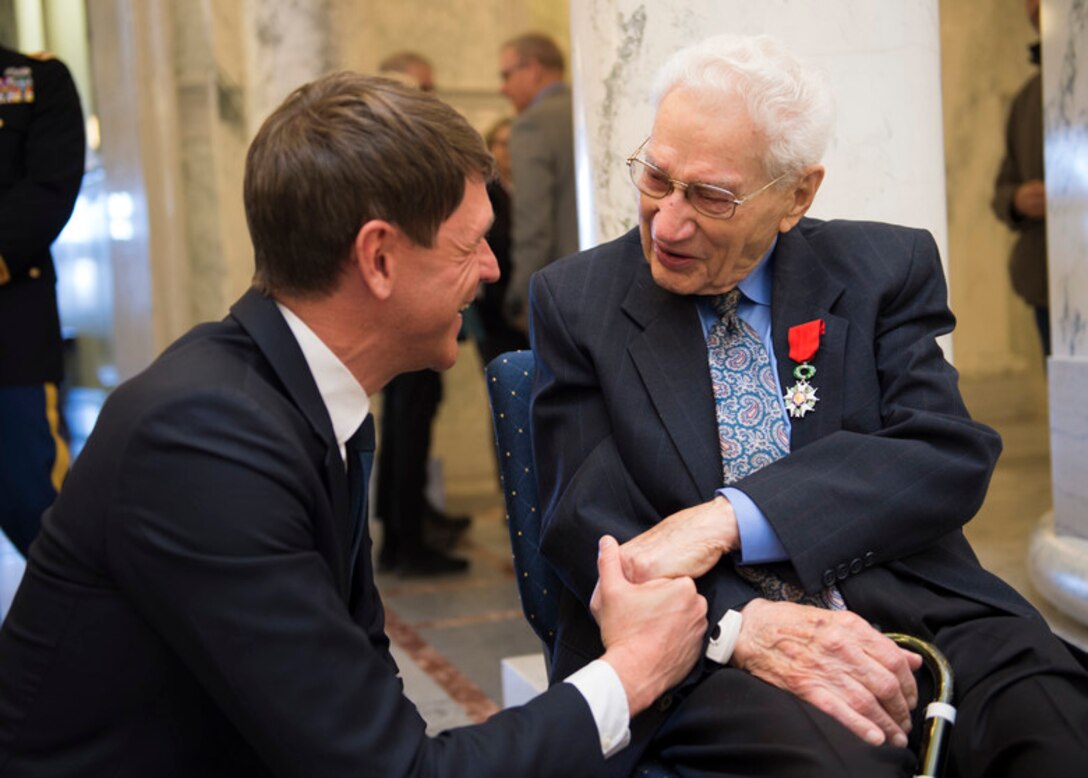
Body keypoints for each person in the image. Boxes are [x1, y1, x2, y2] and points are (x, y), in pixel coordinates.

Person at [0, 72, 709, 775]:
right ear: (378, 258)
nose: (493, 270)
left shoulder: (295, 398)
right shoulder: (204, 438)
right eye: (470, 245)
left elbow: (368, 703)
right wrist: (631, 674)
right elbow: (390, 770)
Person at [530, 34, 1088, 777]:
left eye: (711, 195)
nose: (665, 223)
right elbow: (586, 524)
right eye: (656, 178)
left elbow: (944, 453)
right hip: (713, 645)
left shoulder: (882, 269)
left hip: (911, 600)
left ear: (797, 194)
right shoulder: (577, 303)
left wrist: (730, 516)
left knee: (1053, 722)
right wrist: (742, 624)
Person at [374, 50, 472, 575]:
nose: (433, 102)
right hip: (407, 310)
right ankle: (405, 540)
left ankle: (402, 527)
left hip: (405, 309)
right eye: (424, 91)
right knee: (407, 423)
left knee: (406, 422)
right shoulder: (396, 157)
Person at [0, 45, 84, 557]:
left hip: (12, 334)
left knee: (35, 503)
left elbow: (50, 188)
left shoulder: (33, 79)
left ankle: (88, 632)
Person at [498, 32, 578, 330]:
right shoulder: (589, 111)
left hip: (558, 294)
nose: (502, 87)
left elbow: (533, 224)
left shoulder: (532, 124)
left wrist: (521, 295)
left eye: (507, 75)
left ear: (533, 69)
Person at [993, 0, 1048, 358]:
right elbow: (1002, 188)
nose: (1033, 6)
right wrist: (1017, 200)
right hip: (1046, 279)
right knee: (1070, 405)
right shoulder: (1029, 97)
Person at [468, 117, 529, 367]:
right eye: (503, 143)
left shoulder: (528, 191)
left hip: (523, 303)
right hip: (494, 306)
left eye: (515, 143)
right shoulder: (487, 194)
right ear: (491, 148)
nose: (509, 150)